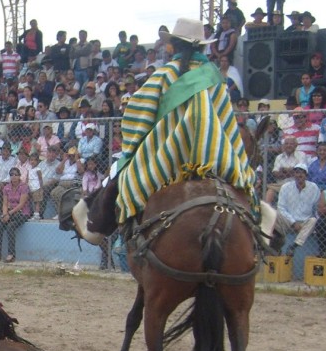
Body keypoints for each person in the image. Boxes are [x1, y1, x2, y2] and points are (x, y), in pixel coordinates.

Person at [78, 18, 261, 243]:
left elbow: (137, 112)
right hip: (213, 156)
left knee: (122, 177)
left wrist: (138, 141)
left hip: (167, 159)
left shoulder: (163, 74)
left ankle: (98, 229)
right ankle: (265, 231)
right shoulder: (216, 77)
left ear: (172, 45)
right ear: (202, 47)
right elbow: (225, 120)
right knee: (247, 185)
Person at [276, 163, 320, 254]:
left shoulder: (314, 188)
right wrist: (293, 222)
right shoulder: (286, 187)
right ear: (293, 174)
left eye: (302, 173)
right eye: (296, 172)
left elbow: (317, 208)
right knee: (275, 216)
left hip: (304, 223)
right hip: (288, 222)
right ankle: (275, 249)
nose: (299, 175)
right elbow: (281, 208)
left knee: (313, 220)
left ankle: (294, 245)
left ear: (306, 175)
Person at [0, 167, 31, 263]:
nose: (14, 176)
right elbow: (5, 203)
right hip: (9, 213)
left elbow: (21, 205)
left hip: (22, 213)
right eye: (11, 174)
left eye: (16, 174)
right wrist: (5, 214)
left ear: (19, 176)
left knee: (10, 226)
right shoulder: (6, 188)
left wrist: (9, 213)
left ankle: (11, 254)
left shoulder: (24, 187)